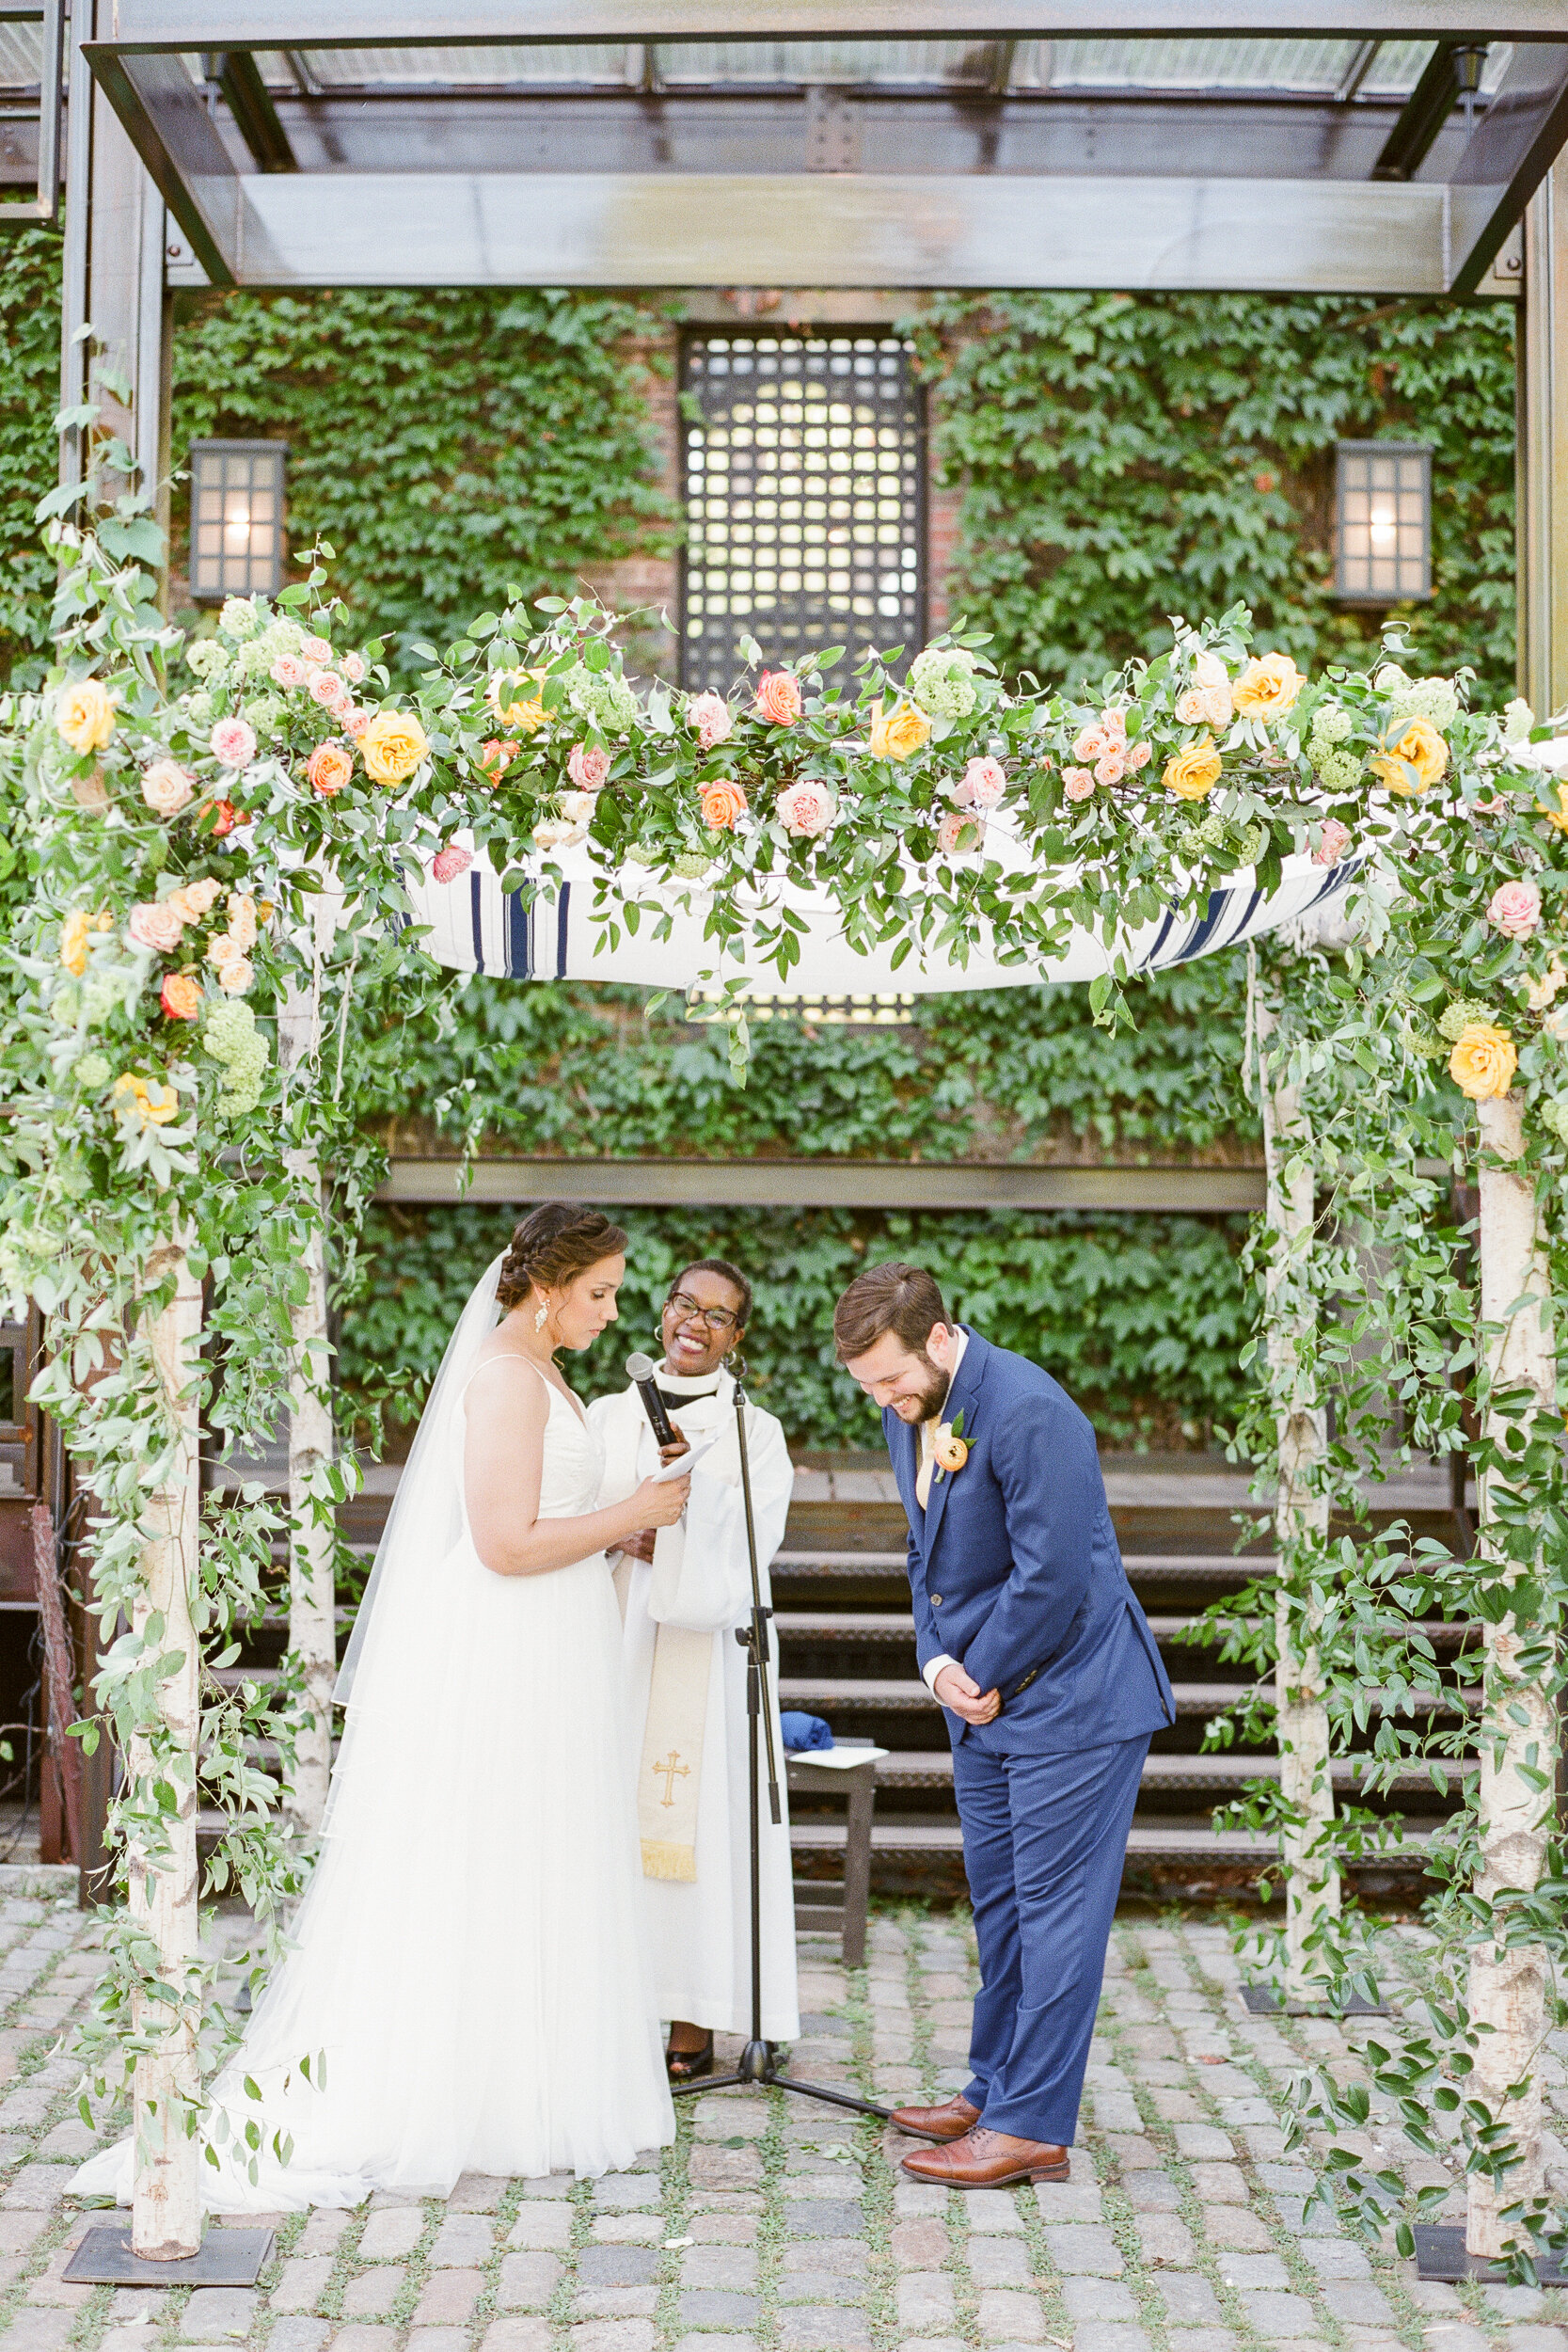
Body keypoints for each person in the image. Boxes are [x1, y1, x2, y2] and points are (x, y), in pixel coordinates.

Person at [72, 1203, 682, 2209]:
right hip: (503, 1651)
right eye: (600, 1293)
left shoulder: (540, 1371)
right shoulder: (501, 1380)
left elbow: (546, 1523)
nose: (614, 1313)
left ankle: (518, 2080)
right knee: (481, 1860)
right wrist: (634, 1513)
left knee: (532, 1856)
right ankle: (458, 2090)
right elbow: (503, 1543)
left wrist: (619, 1534)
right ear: (543, 1290)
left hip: (547, 1647)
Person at [833, 1261, 1175, 2190]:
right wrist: (936, 1662)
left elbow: (1053, 1574)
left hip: (1072, 1698)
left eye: (893, 1378)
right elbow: (922, 1549)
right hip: (981, 1699)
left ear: (938, 1337)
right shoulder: (904, 1410)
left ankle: (1030, 2125)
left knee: (1057, 1918)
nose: (886, 1401)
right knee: (1003, 1905)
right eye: (868, 1386)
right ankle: (991, 2084)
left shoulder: (1029, 1411)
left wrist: (975, 1669)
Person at [589, 1260, 799, 2077]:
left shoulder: (757, 1432)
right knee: (598, 1816)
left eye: (718, 1315)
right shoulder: (606, 1415)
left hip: (705, 1661)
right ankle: (601, 2007)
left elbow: (754, 1544)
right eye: (685, 1304)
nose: (696, 1323)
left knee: (701, 1832)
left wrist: (678, 1525)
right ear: (661, 1314)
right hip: (606, 1635)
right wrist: (618, 1527)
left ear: (735, 1337)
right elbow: (563, 1508)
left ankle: (690, 2017)